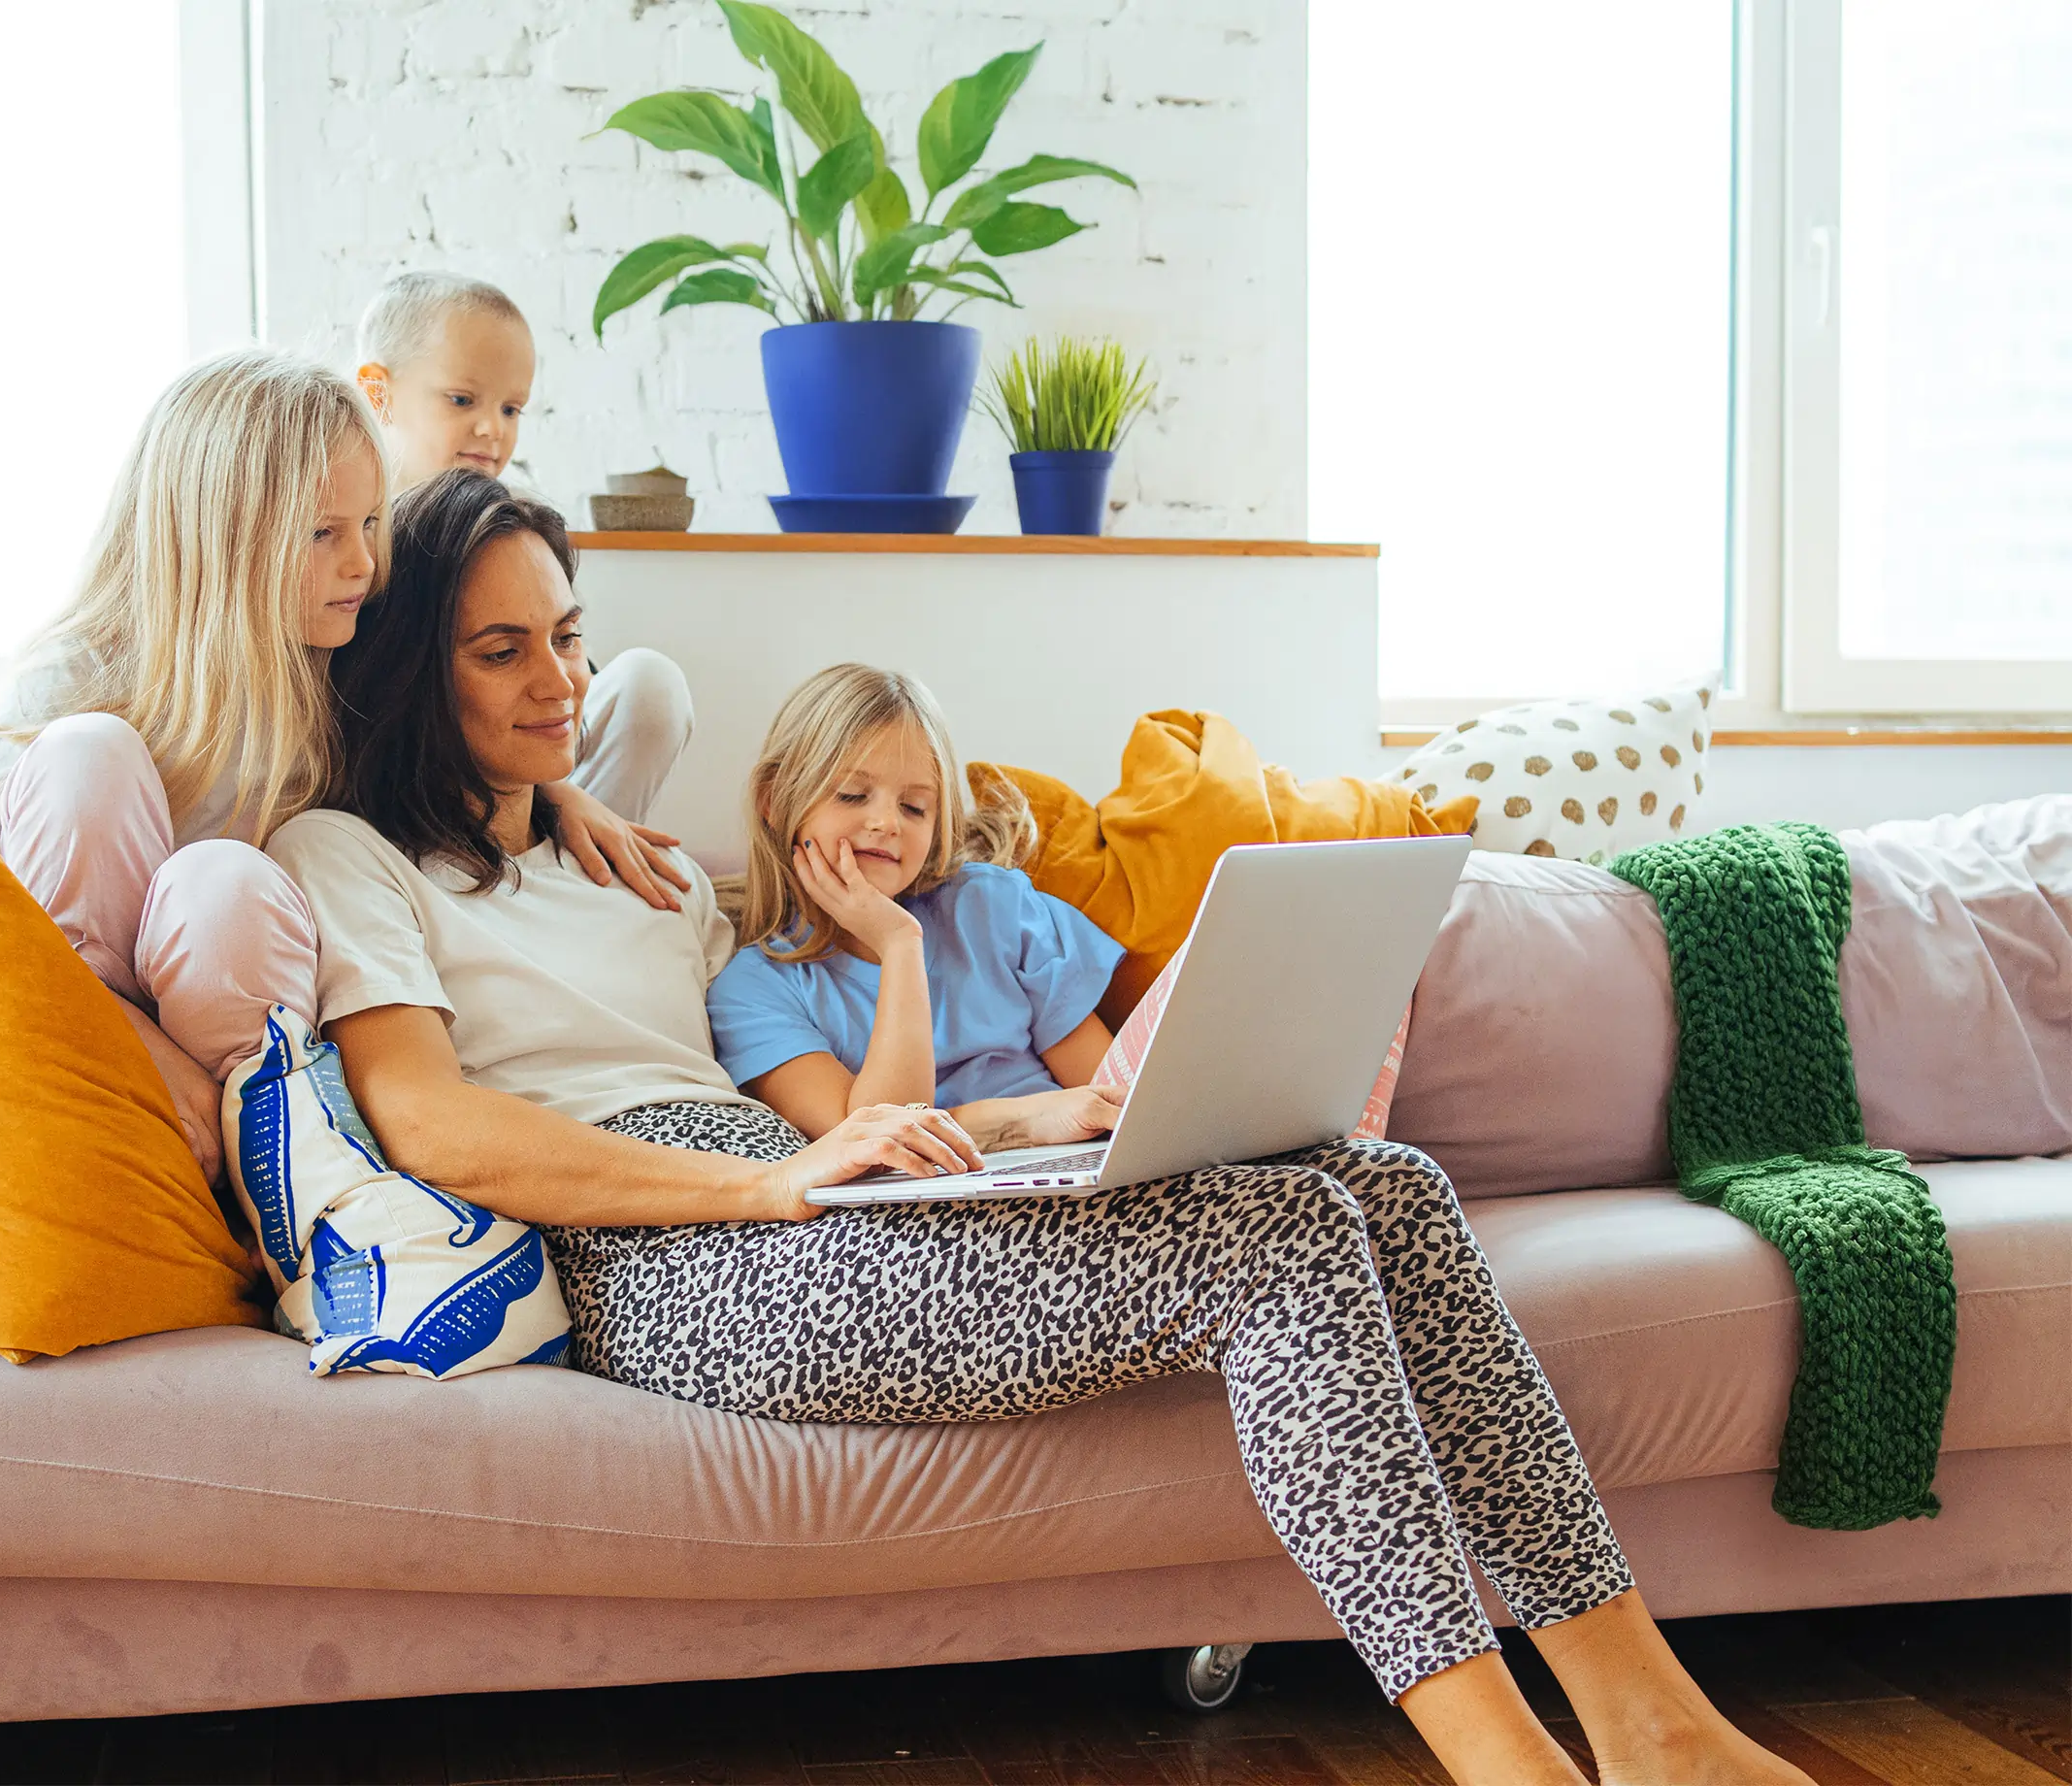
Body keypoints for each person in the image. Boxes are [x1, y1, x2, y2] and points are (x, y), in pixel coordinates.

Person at [266, 468, 1811, 1786]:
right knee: (1271, 1238)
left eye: (567, 639)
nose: (560, 683)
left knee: (1380, 1180)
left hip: (791, 1193)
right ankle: (1506, 1761)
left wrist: (565, 821)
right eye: (502, 652)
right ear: (417, 672)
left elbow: (710, 933)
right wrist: (762, 1182)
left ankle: (1649, 1715)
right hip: (664, 1257)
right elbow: (435, 1127)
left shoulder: (638, 867)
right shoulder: (349, 854)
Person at [0, 350, 684, 1179]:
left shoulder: (332, 661)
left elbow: (453, 730)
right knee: (85, 754)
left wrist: (554, 790)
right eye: (323, 534)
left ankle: (263, 1138)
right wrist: (137, 1041)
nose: (363, 564)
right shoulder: (76, 679)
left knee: (221, 883)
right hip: (89, 994)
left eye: (371, 526)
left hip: (233, 992)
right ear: (218, 541)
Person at [708, 663, 1127, 1153]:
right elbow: (881, 1145)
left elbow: (1114, 1095)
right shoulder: (754, 989)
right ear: (774, 801)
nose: (886, 822)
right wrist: (898, 944)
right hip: (918, 1210)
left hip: (1071, 1166)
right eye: (852, 794)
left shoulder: (993, 908)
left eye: (914, 807)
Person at [354, 270, 696, 832]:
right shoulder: (353, 538)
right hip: (395, 801)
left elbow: (557, 689)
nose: (492, 429)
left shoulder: (516, 525)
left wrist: (558, 792)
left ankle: (576, 879)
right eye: (462, 400)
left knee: (649, 684)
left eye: (512, 409)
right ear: (377, 393)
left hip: (525, 793)